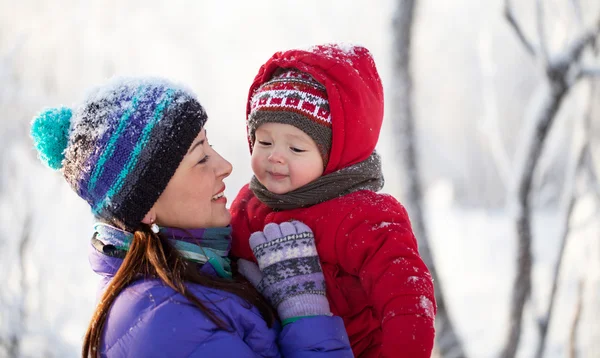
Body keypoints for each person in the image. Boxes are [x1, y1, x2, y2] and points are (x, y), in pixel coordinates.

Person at [30, 78, 353, 357]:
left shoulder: (195, 282)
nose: (225, 165)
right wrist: (305, 315)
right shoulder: (166, 323)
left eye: (210, 145)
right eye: (201, 158)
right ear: (145, 206)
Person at [230, 44, 436, 357]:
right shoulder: (249, 204)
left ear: (335, 155)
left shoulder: (363, 215)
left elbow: (407, 298)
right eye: (264, 141)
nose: (275, 157)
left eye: (296, 149)